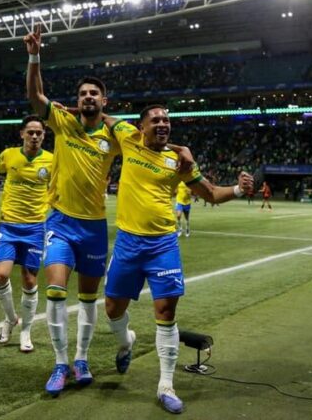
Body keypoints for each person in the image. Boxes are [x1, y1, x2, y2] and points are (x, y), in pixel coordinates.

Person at [101, 105, 253, 414]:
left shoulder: (180, 161)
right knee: (113, 309)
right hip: (128, 242)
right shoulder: (127, 137)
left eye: (166, 120)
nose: (162, 124)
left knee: (166, 311)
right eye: (155, 120)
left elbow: (210, 193)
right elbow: (98, 114)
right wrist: (66, 107)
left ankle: (166, 386)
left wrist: (239, 189)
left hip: (163, 245)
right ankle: (126, 341)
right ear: (141, 127)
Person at [24, 24, 121, 395]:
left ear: (104, 100)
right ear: (76, 100)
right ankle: (60, 363)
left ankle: (81, 358)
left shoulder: (113, 136)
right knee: (55, 291)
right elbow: (35, 95)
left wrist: (112, 120)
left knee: (88, 298)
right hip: (60, 222)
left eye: (94, 93)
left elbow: (143, 138)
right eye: (83, 94)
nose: (87, 97)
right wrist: (35, 55)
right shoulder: (62, 122)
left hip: (94, 226)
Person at [0, 115, 53, 353]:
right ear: (22, 134)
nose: (34, 136)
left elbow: (57, 190)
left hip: (35, 228)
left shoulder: (52, 160)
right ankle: (11, 318)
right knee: (0, 276)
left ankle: (26, 330)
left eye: (39, 133)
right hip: (9, 225)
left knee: (29, 280)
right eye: (30, 132)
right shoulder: (8, 155)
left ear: (44, 135)